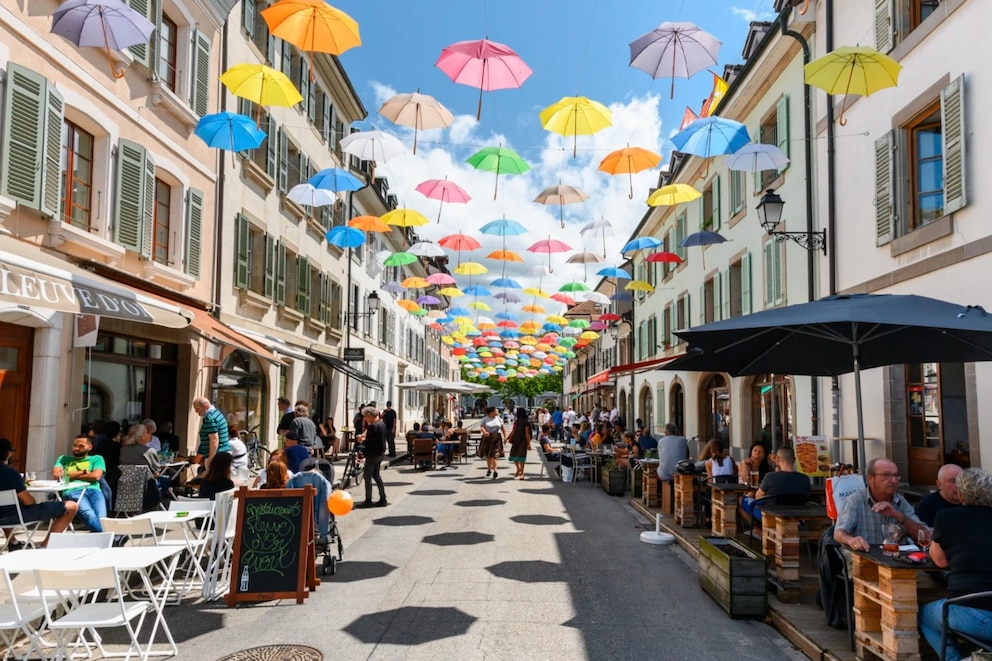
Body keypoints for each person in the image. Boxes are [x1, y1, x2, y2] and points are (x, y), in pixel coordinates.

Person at [918, 468, 992, 660]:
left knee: (924, 614)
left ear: (960, 493)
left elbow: (940, 561)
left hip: (972, 613)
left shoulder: (946, 517)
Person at [834, 457, 925, 552]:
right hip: (866, 559)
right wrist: (851, 540)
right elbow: (838, 533)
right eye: (886, 475)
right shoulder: (856, 500)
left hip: (898, 560)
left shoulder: (900, 501)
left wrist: (898, 516)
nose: (894, 481)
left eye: (896, 475)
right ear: (870, 479)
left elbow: (923, 535)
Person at [0, 438, 77, 547]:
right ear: (8, 453)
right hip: (13, 516)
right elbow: (28, 502)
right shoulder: (10, 473)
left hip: (4, 514)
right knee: (71, 506)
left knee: (7, 508)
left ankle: (13, 542)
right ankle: (44, 546)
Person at [740, 446, 811, 529]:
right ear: (794, 460)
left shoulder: (770, 477)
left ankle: (757, 529)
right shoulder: (805, 478)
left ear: (777, 458)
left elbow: (758, 497)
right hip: (797, 513)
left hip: (771, 514)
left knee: (741, 500)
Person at [53, 434, 107, 533]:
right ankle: (113, 537)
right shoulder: (64, 459)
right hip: (73, 491)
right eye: (74, 445)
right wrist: (84, 472)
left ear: (90, 447)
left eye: (81, 446)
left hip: (94, 490)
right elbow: (57, 475)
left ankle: (109, 538)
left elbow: (96, 476)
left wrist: (68, 475)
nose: (76, 448)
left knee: (102, 518)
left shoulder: (97, 458)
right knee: (89, 514)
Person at [119, 423, 172, 503]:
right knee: (167, 480)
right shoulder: (149, 451)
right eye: (147, 433)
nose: (149, 435)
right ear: (142, 436)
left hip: (126, 483)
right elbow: (157, 470)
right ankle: (160, 500)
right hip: (145, 485)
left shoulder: (123, 450)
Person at [357, 406, 388, 508]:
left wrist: (363, 452)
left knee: (367, 476)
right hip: (380, 453)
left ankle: (368, 499)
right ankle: (383, 497)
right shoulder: (382, 424)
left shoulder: (373, 426)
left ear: (370, 415)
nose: (365, 419)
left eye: (365, 417)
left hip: (373, 454)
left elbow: (370, 442)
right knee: (376, 475)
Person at [192, 396, 230, 467]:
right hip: (224, 454)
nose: (196, 411)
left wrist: (211, 459)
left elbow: (214, 440)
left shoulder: (209, 419)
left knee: (214, 477)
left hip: (217, 456)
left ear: (205, 406)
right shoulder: (217, 413)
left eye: (197, 409)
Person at [479, 406, 507, 480]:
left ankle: (495, 470)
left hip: (496, 437)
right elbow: (482, 426)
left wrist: (505, 437)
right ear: (491, 412)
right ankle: (489, 469)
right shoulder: (485, 419)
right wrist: (484, 432)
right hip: (488, 438)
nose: (497, 412)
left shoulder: (498, 419)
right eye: (496, 411)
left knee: (494, 454)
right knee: (489, 455)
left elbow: (502, 428)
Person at [507, 407, 532, 480]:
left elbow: (527, 433)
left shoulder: (525, 422)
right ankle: (518, 469)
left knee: (521, 457)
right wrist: (508, 437)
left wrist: (528, 443)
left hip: (523, 441)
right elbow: (513, 431)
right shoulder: (516, 422)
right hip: (516, 440)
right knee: (513, 456)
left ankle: (522, 473)